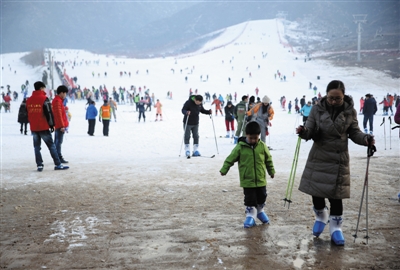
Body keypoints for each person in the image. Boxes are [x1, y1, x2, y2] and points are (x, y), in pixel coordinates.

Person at [295, 80, 375, 246]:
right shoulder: (316, 109)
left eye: (337, 98)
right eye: (331, 98)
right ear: (326, 94)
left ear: (343, 96)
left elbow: (354, 132)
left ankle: (336, 228)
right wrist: (304, 132)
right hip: (319, 157)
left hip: (338, 159)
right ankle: (321, 216)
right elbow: (309, 129)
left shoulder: (350, 111)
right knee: (316, 192)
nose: (333, 101)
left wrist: (365, 139)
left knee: (336, 197)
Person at [220, 121, 275, 228]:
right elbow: (230, 158)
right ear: (246, 135)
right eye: (251, 138)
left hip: (260, 179)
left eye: (256, 138)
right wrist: (224, 169)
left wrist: (271, 171)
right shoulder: (240, 147)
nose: (254, 140)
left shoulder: (262, 146)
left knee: (262, 196)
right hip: (247, 180)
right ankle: (251, 214)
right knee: (250, 199)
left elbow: (268, 160)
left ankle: (260, 211)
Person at [26, 81, 69, 171]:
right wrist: (52, 125)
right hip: (43, 126)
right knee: (51, 146)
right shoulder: (44, 99)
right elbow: (49, 113)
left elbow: (28, 113)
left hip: (34, 127)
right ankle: (58, 164)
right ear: (41, 88)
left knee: (37, 147)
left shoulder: (29, 100)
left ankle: (39, 165)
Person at [52, 85, 69, 163]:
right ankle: (58, 157)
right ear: (61, 93)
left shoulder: (58, 101)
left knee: (57, 141)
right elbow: (58, 115)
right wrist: (62, 126)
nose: (65, 95)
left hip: (59, 124)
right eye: (65, 93)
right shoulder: (57, 101)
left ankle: (57, 156)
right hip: (59, 125)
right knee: (58, 142)